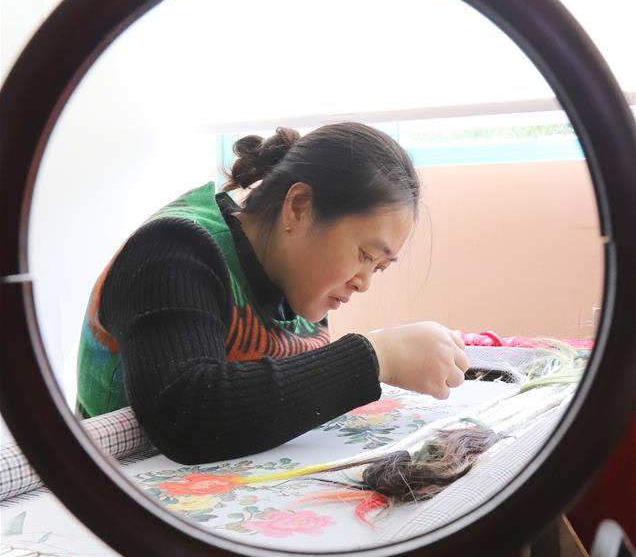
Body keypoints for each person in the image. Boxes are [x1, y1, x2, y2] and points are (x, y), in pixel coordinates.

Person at [76, 122, 468, 464]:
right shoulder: (173, 250)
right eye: (365, 255)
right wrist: (378, 356)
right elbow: (187, 417)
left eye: (378, 268)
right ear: (298, 207)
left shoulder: (296, 282)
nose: (363, 282)